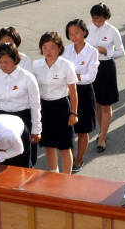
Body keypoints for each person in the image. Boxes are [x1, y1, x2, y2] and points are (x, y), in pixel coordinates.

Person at [0, 43, 41, 168]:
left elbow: (35, 105)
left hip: (23, 120)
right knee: (1, 159)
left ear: (15, 60)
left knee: (22, 159)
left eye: (6, 62)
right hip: (2, 120)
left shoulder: (28, 78)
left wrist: (36, 130)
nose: (2, 65)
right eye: (0, 62)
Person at [33, 31, 78, 174]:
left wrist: (74, 113)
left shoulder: (67, 65)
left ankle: (67, 178)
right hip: (44, 108)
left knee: (64, 147)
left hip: (62, 108)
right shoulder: (36, 65)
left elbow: (73, 91)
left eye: (52, 47)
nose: (48, 51)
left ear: (59, 48)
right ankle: (53, 173)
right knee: (48, 145)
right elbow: (34, 89)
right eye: (44, 47)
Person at [63, 19, 99, 173]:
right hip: (67, 92)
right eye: (70, 34)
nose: (73, 36)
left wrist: (73, 76)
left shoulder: (92, 51)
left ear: (84, 32)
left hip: (84, 93)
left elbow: (90, 76)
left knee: (83, 130)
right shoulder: (65, 50)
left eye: (76, 32)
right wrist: (75, 76)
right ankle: (69, 158)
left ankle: (79, 159)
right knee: (68, 129)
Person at [86, 3, 124, 152]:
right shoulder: (87, 29)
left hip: (107, 68)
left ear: (106, 18)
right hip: (91, 68)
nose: (97, 22)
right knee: (96, 104)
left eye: (100, 20)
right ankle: (103, 130)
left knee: (106, 105)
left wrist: (105, 51)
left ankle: (102, 138)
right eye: (95, 19)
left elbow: (121, 51)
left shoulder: (112, 31)